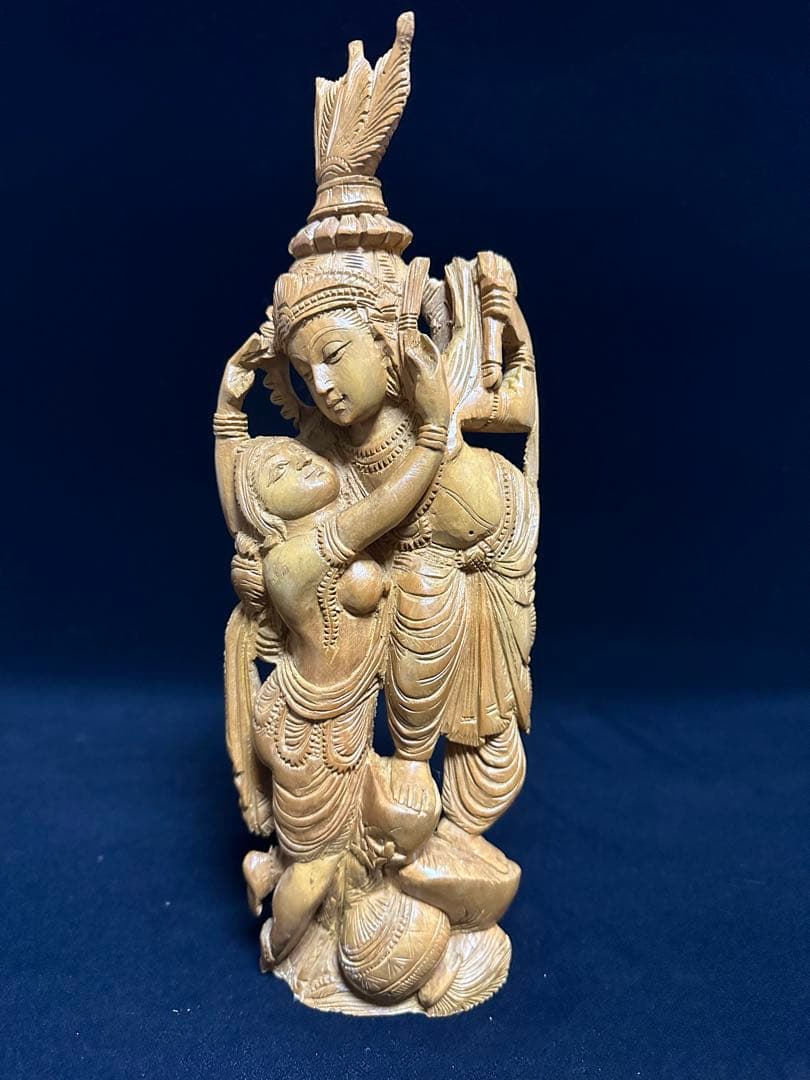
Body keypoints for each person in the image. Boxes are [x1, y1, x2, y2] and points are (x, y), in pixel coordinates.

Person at [214, 322, 450, 965]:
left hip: (335, 718)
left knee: (345, 839)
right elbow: (390, 505)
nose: (302, 459)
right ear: (269, 513)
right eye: (281, 474)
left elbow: (239, 490)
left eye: (292, 454)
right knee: (317, 864)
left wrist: (230, 405)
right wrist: (433, 429)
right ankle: (278, 945)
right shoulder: (297, 558)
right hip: (311, 734)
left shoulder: (320, 517)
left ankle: (268, 867)